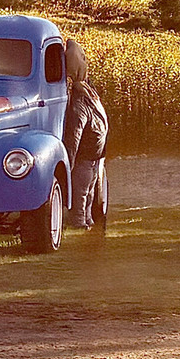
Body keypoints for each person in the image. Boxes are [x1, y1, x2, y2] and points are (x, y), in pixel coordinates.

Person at [63, 40, 108, 229]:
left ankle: (87, 220)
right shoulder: (80, 99)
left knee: (89, 191)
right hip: (85, 156)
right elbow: (74, 133)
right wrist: (69, 163)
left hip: (93, 156)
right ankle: (79, 223)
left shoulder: (86, 91)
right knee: (81, 192)